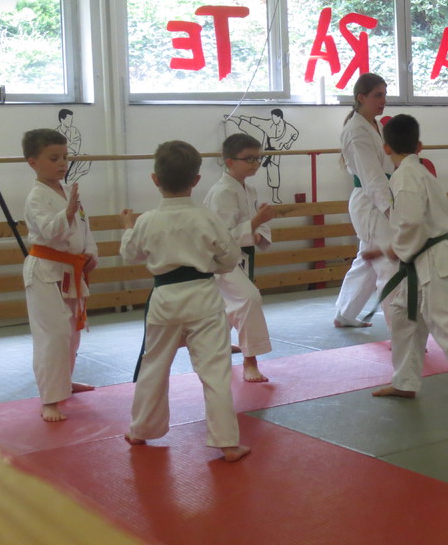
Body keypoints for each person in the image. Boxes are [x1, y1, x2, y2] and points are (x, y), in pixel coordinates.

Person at [367, 114, 448, 431]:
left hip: (432, 262)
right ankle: (404, 381)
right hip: (423, 260)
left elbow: (411, 223)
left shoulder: (405, 177)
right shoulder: (419, 172)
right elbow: (412, 223)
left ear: (386, 148)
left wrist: (391, 250)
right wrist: (394, 249)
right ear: (419, 145)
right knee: (404, 320)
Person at [120, 140, 250, 462]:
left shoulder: (147, 220)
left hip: (164, 300)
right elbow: (230, 258)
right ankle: (227, 442)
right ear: (196, 180)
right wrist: (209, 266)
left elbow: (129, 254)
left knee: (154, 365)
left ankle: (140, 429)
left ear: (155, 179)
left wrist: (128, 228)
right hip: (203, 298)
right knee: (215, 370)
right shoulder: (207, 217)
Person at [21, 128, 98, 422]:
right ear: (33, 162)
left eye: (65, 157)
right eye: (54, 158)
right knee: (53, 335)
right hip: (45, 272)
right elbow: (49, 232)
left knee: (72, 333)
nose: (62, 163)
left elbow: (84, 228)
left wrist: (90, 254)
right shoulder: (36, 197)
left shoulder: (68, 191)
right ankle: (50, 399)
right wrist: (66, 212)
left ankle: (64, 381)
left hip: (70, 269)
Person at [203, 133, 275, 381]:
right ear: (230, 161)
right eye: (249, 159)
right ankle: (250, 362)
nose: (255, 164)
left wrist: (259, 231)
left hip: (240, 256)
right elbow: (221, 238)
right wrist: (255, 224)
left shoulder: (249, 189)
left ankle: (220, 344)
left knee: (226, 304)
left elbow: (256, 225)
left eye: (258, 158)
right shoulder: (222, 192)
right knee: (248, 299)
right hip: (220, 261)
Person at [332, 74, 398, 328]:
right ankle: (400, 331)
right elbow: (372, 177)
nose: (383, 100)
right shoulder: (356, 130)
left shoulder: (374, 126)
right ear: (361, 97)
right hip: (371, 202)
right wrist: (390, 209)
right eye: (377, 95)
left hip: (378, 198)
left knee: (369, 259)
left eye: (384, 94)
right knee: (389, 265)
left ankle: (345, 313)